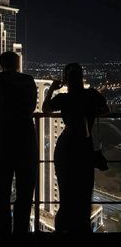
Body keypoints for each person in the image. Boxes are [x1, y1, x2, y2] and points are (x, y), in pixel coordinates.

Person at [42, 63, 109, 233]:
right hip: (85, 147)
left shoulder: (64, 98)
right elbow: (105, 109)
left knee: (66, 193)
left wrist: (52, 89)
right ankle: (81, 230)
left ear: (66, 80)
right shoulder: (91, 94)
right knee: (84, 192)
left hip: (66, 146)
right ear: (81, 77)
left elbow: (46, 109)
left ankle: (63, 231)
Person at [0, 51, 38, 237]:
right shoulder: (28, 80)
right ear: (18, 64)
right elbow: (32, 107)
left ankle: (3, 236)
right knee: (25, 194)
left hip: (3, 141)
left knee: (1, 195)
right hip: (26, 141)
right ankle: (20, 234)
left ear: (1, 64)